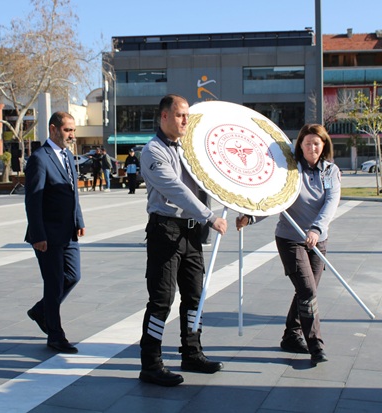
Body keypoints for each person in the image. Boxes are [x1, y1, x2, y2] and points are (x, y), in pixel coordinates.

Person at [139, 94, 228, 387]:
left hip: (191, 233)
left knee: (194, 297)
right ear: (164, 116)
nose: (185, 121)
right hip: (165, 231)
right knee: (161, 299)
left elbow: (212, 176)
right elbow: (176, 189)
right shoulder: (153, 151)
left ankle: (192, 352)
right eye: (180, 115)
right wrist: (210, 216)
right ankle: (151, 363)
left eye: (187, 116)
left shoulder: (189, 149)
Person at [236, 123, 341, 366]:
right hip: (290, 239)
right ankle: (315, 345)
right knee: (308, 291)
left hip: (318, 240)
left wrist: (316, 229)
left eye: (316, 143)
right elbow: (275, 201)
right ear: (300, 146)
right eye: (307, 143)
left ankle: (291, 335)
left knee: (307, 291)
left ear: (324, 145)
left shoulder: (331, 171)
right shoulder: (290, 171)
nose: (312, 148)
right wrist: (250, 217)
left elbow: (331, 203)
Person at [24, 111, 86, 354]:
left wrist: (78, 219)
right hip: (47, 235)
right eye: (67, 130)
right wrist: (38, 235)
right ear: (53, 129)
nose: (72, 135)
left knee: (73, 275)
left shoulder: (68, 155)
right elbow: (33, 200)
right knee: (53, 283)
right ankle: (55, 335)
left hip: (68, 231)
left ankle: (41, 311)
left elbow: (73, 191)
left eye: (73, 130)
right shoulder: (39, 158)